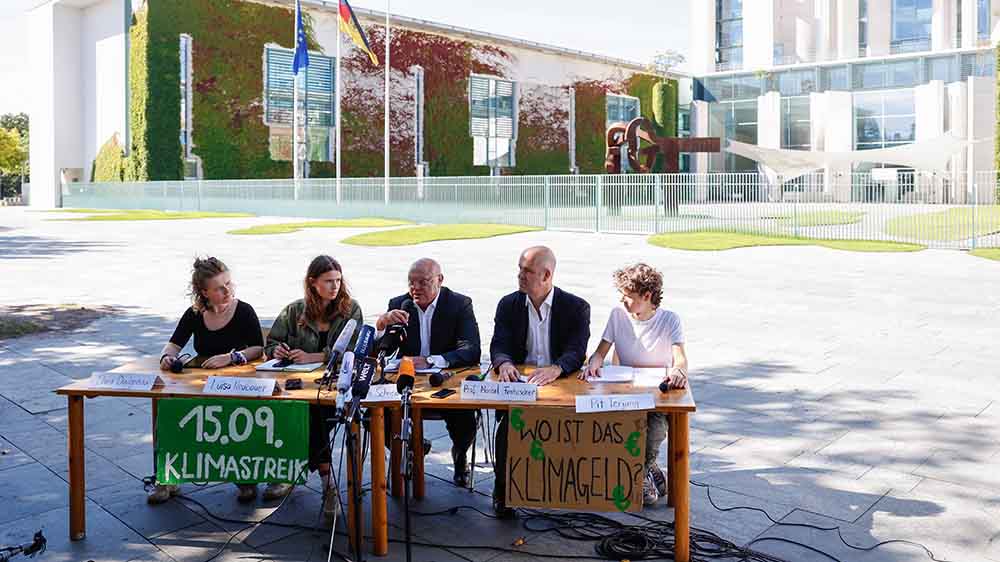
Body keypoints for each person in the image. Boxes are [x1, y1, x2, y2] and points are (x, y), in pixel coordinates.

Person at [150, 257, 265, 504]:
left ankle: (245, 478)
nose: (227, 291)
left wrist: (231, 357)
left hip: (236, 380)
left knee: (235, 416)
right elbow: (173, 343)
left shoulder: (244, 310)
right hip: (202, 379)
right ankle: (166, 478)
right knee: (169, 409)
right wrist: (167, 357)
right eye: (219, 288)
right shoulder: (194, 314)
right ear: (204, 292)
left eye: (229, 284)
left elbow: (258, 347)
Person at [489, 246, 590, 518]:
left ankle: (572, 491)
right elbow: (499, 343)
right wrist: (504, 362)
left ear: (546, 275)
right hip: (520, 386)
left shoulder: (576, 307)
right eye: (520, 269)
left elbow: (576, 351)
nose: (520, 276)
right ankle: (503, 494)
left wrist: (557, 368)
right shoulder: (508, 304)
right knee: (509, 426)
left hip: (559, 386)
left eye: (527, 271)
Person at [579, 263, 688, 506]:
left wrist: (679, 370)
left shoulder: (670, 320)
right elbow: (600, 352)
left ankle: (642, 470)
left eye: (628, 296)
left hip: (655, 395)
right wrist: (594, 362)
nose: (622, 300)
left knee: (655, 430)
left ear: (647, 296)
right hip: (624, 392)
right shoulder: (618, 315)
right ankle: (646, 470)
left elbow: (680, 357)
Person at [265, 255, 363, 522]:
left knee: (314, 417)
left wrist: (316, 356)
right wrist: (278, 350)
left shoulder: (350, 309)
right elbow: (270, 344)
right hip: (297, 385)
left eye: (338, 280)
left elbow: (355, 351)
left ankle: (315, 481)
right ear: (312, 282)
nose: (335, 287)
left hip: (334, 386)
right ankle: (323, 482)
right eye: (328, 281)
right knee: (295, 412)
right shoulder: (294, 311)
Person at [377, 258, 481, 487]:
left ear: (439, 280)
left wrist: (431, 360)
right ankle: (415, 446)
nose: (416, 288)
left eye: (423, 282)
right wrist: (383, 325)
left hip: (445, 380)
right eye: (411, 282)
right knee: (373, 414)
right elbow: (382, 351)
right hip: (408, 382)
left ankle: (460, 453)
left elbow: (471, 349)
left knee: (464, 415)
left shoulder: (459, 304)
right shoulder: (399, 304)